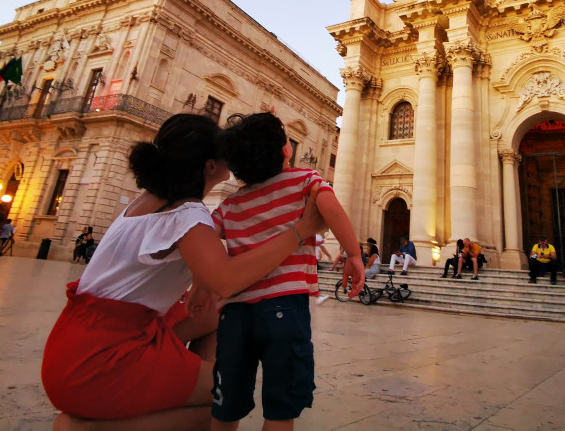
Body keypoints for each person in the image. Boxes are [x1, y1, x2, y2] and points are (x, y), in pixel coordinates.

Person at [41, 113, 331, 430]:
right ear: (210, 165)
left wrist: (201, 286)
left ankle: (184, 380)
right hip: (100, 363)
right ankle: (86, 428)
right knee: (228, 398)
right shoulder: (187, 215)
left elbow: (209, 280)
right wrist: (301, 230)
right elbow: (228, 280)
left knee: (217, 313)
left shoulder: (145, 201)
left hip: (71, 347)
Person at [208, 112, 364, 430]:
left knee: (227, 405)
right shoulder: (304, 181)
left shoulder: (230, 205)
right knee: (280, 409)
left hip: (235, 313)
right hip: (285, 308)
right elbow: (331, 207)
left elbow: (207, 238)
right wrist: (354, 254)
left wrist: (200, 284)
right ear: (286, 150)